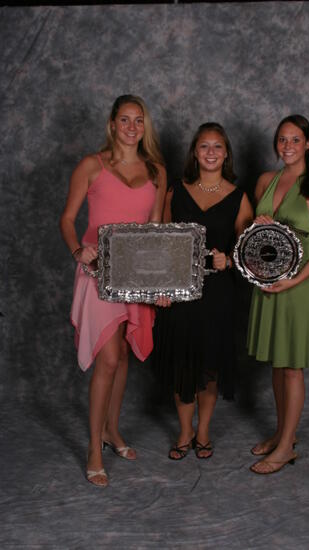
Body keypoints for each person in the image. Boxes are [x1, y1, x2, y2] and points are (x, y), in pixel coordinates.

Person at [60, 95, 167, 487]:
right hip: (98, 271)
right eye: (125, 119)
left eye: (138, 120)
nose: (132, 127)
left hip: (136, 275)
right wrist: (77, 249)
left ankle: (112, 430)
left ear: (145, 126)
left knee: (122, 354)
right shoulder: (92, 165)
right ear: (112, 123)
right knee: (107, 357)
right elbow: (68, 219)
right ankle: (93, 447)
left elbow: (157, 234)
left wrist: (160, 284)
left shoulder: (157, 171)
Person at [153, 122, 253, 460]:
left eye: (217, 147)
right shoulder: (176, 192)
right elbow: (162, 245)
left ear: (226, 154)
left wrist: (230, 261)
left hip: (218, 294)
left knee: (210, 366)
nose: (210, 152)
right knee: (184, 365)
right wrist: (162, 288)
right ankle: (184, 431)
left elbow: (248, 253)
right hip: (181, 293)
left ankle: (204, 430)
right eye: (204, 146)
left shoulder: (239, 197)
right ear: (195, 153)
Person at [247, 114, 309, 474]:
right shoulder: (265, 181)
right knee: (276, 361)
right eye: (282, 140)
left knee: (291, 369)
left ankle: (286, 447)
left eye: (295, 140)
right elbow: (251, 234)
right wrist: (255, 224)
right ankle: (282, 433)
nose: (287, 146)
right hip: (268, 284)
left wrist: (294, 281)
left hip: (297, 288)